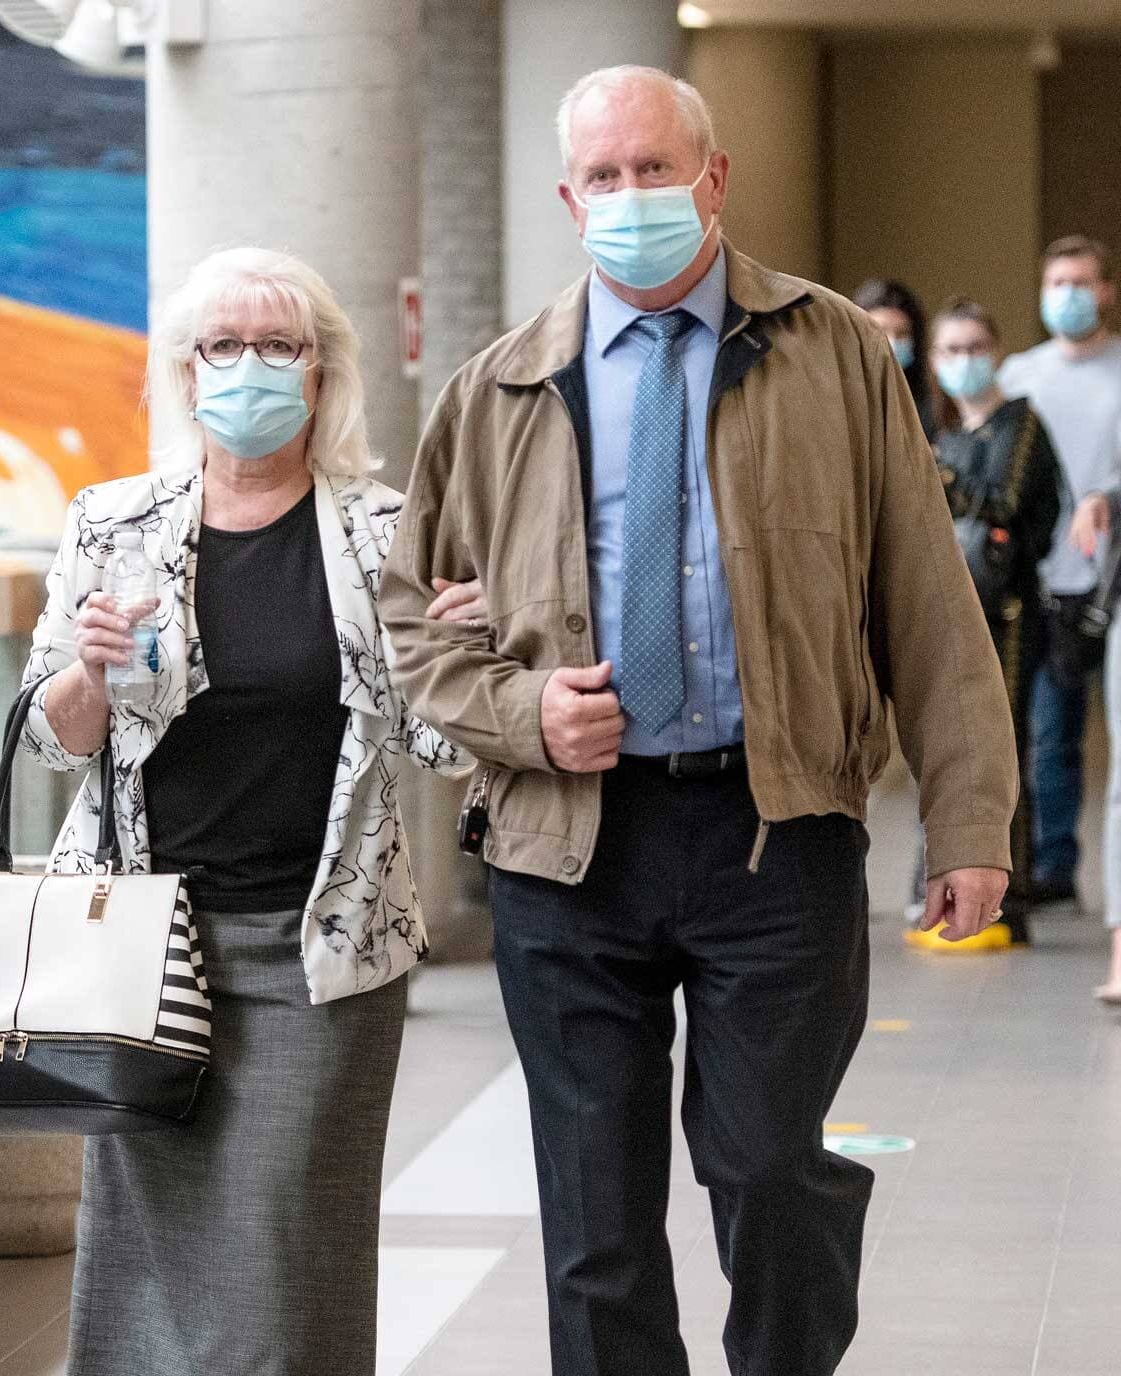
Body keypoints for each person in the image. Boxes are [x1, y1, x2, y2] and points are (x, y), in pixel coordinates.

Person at [381, 66, 1016, 1376]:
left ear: (712, 178)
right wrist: (524, 710)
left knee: (768, 1168)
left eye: (654, 168)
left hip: (774, 831)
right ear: (570, 200)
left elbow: (927, 603)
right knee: (594, 1221)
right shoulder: (496, 390)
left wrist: (968, 822)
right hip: (568, 847)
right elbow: (411, 627)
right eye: (602, 177)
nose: (629, 196)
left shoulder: (835, 352)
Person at [17, 247, 476, 1376]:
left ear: (321, 373)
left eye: (278, 345)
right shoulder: (114, 522)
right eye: (222, 345)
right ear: (185, 371)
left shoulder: (382, 531)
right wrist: (85, 670)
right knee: (144, 1247)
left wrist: (461, 649)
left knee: (284, 1246)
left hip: (319, 945)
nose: (249, 366)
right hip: (141, 943)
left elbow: (438, 747)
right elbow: (49, 738)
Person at [900, 299, 1060, 950]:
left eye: (974, 347)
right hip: (947, 607)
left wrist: (935, 475)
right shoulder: (947, 433)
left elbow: (1005, 503)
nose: (964, 361)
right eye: (951, 350)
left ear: (994, 351)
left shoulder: (1020, 425)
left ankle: (1007, 900)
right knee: (947, 745)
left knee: (1002, 749)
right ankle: (938, 889)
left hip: (1007, 613)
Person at [998, 236, 1121, 913]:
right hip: (1045, 583)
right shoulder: (1021, 375)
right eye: (1057, 283)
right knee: (1050, 735)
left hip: (1113, 581)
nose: (1069, 295)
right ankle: (1053, 866)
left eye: (1082, 282)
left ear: (1107, 290)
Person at [853, 277, 936, 435]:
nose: (892, 342)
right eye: (881, 331)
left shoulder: (931, 404)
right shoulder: (840, 395)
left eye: (902, 333)